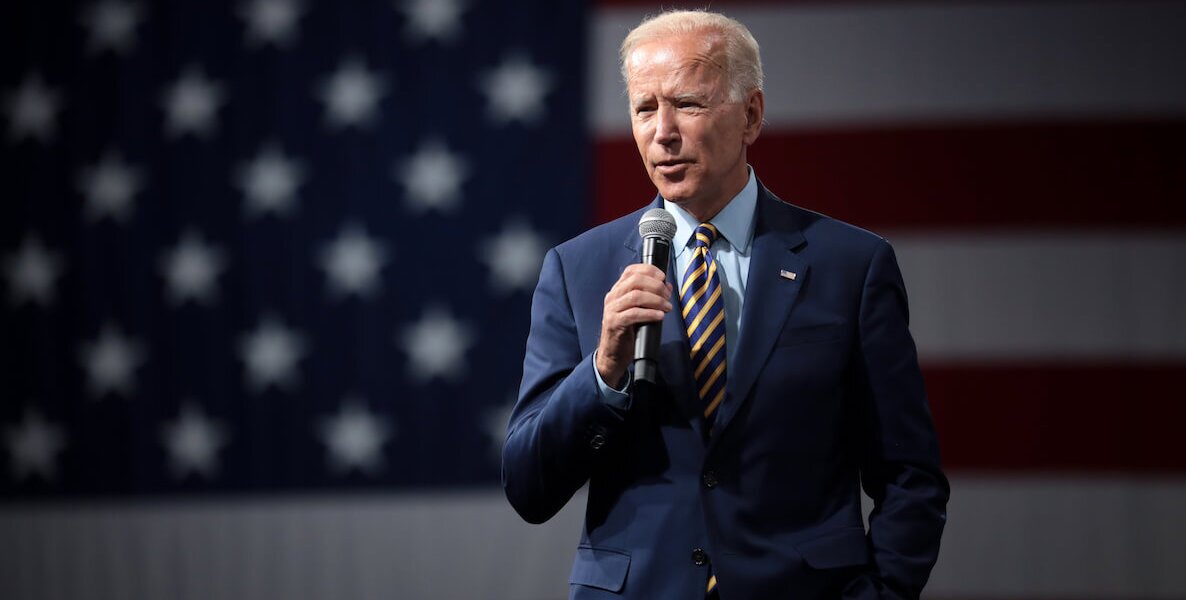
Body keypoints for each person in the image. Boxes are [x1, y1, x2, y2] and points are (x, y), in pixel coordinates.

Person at [502, 9, 948, 600]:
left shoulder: (852, 266)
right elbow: (530, 487)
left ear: (752, 116)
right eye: (644, 108)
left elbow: (909, 476)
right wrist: (603, 371)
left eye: (687, 103)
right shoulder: (576, 270)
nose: (662, 131)